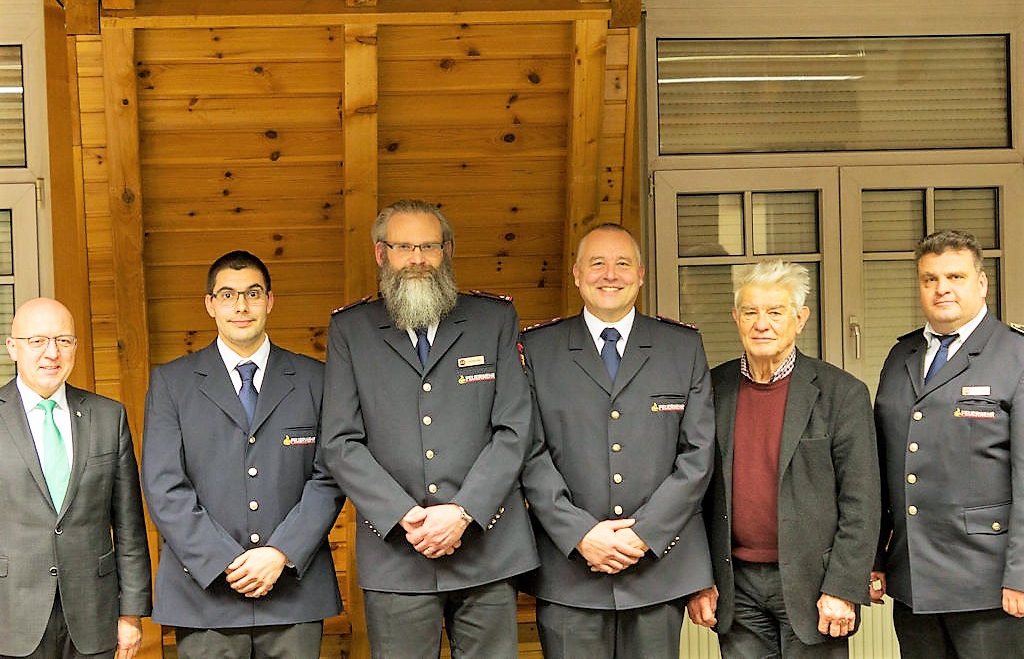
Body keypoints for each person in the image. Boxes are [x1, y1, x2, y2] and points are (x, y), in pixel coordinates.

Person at [320, 199, 538, 658]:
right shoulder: (351, 330)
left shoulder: (493, 320)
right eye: (404, 247)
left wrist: (462, 513)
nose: (417, 258)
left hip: (487, 548)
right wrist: (405, 516)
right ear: (381, 254)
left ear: (448, 251)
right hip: (397, 553)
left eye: (428, 246)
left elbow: (514, 428)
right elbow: (341, 441)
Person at [518, 223, 716, 658]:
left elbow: (697, 457)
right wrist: (581, 534)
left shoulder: (681, 347)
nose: (610, 274)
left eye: (622, 263)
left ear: (641, 274)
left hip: (657, 569)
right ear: (576, 273)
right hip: (569, 571)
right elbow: (528, 452)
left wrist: (643, 534)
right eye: (597, 263)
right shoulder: (538, 349)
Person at [142, 250, 343, 658]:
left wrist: (280, 552)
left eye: (252, 293)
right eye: (228, 295)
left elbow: (331, 476)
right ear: (210, 304)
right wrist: (226, 561)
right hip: (205, 595)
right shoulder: (171, 383)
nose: (241, 306)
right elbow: (164, 488)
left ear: (270, 300)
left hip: (294, 592)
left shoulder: (315, 379)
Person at [687, 259, 880, 658]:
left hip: (815, 586)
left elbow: (861, 501)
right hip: (735, 586)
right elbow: (692, 493)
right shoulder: (710, 389)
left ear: (800, 318)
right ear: (736, 318)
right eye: (751, 312)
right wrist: (698, 578)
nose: (762, 324)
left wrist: (843, 588)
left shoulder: (841, 394)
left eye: (775, 312)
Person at [872, 229, 1024, 658]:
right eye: (930, 279)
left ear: (981, 283)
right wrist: (874, 558)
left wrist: (1022, 573)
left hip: (988, 583)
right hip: (914, 578)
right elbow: (885, 467)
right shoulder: (901, 356)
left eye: (955, 277)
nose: (942, 289)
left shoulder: (1015, 355)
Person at [0, 297, 151, 658]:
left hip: (93, 616)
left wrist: (131, 613)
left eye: (63, 341)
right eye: (37, 341)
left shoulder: (107, 417)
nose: (51, 353)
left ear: (75, 348)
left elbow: (129, 526)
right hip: (10, 616)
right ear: (12, 348)